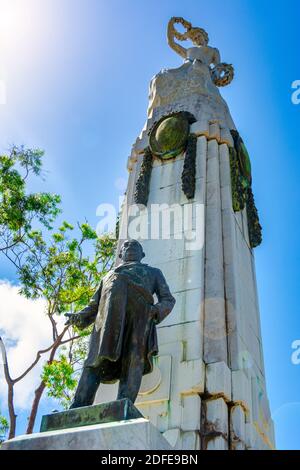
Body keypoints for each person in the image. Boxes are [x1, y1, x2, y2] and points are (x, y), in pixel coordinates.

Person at [65, 239, 176, 408]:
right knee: (94, 362)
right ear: (120, 254)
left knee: (132, 360)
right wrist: (80, 317)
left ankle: (124, 404)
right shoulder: (108, 276)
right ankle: (77, 406)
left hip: (138, 320)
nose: (130, 248)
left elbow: (168, 299)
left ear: (142, 254)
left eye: (135, 246)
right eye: (126, 246)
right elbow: (94, 304)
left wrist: (154, 311)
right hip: (108, 324)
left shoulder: (153, 273)